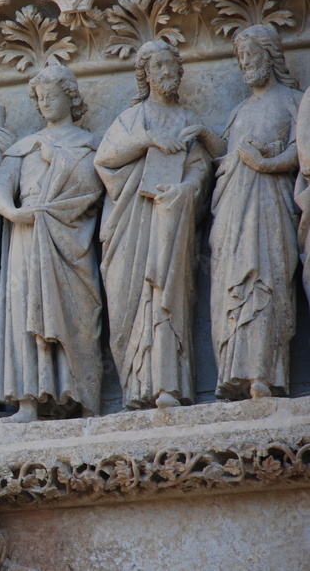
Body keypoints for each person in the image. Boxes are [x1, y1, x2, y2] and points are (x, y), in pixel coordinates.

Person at [94, 40, 222, 410]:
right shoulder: (131, 120)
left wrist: (186, 189)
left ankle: (168, 384)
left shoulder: (186, 120)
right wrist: (148, 139)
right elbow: (106, 159)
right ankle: (135, 389)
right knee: (125, 301)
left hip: (171, 219)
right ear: (146, 75)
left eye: (172, 67)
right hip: (129, 224)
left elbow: (201, 167)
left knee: (166, 296)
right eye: (159, 67)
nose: (167, 73)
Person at [0, 65, 103, 423]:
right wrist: (13, 211)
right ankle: (28, 402)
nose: (45, 104)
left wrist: (60, 160)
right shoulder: (25, 147)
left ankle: (84, 396)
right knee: (25, 313)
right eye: (40, 99)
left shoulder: (89, 144)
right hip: (27, 236)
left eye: (52, 96)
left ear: (70, 97)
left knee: (80, 314)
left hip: (70, 236)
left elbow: (95, 189)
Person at [211, 24, 302, 400]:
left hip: (271, 207)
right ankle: (234, 373)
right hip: (233, 214)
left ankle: (264, 373)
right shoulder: (238, 112)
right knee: (232, 287)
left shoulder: (293, 101)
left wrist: (265, 163)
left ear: (271, 55)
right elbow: (224, 161)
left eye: (251, 53)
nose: (245, 61)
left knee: (267, 281)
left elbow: (302, 151)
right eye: (240, 56)